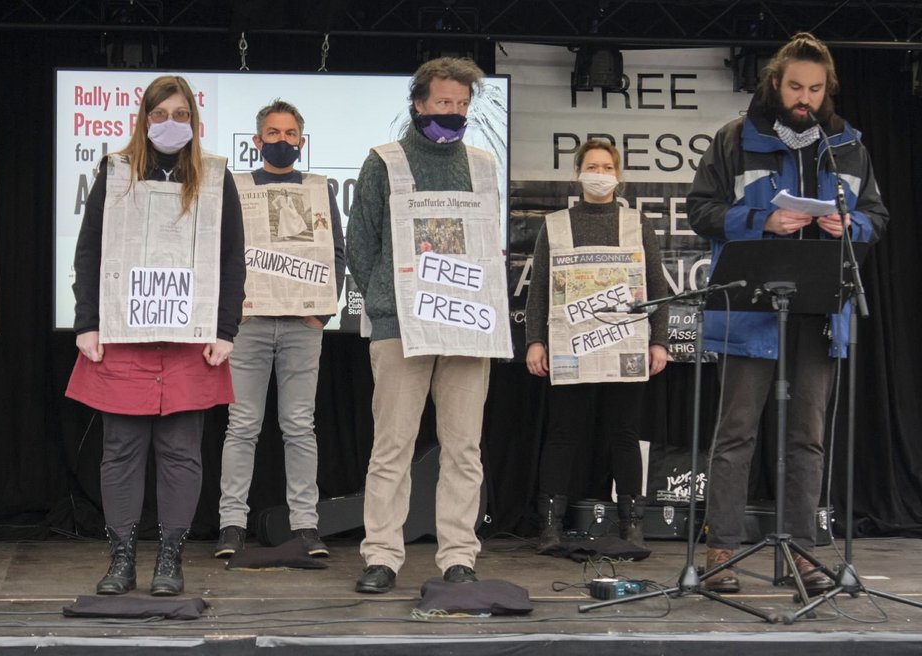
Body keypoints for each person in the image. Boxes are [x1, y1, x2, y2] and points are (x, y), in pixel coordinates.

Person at [686, 32, 889, 595]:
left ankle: (802, 551)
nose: (806, 98)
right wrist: (762, 222)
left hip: (820, 308)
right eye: (796, 86)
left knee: (808, 438)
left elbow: (877, 216)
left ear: (828, 91)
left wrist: (853, 226)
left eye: (816, 89)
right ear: (775, 83)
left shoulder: (847, 145)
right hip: (751, 307)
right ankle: (721, 552)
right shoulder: (734, 139)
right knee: (736, 434)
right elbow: (700, 210)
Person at [66, 75, 245, 597]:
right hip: (123, 336)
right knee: (120, 450)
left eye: (181, 115)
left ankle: (171, 559)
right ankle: (121, 559)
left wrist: (225, 328)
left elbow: (232, 258)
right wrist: (87, 322)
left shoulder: (214, 177)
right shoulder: (116, 171)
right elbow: (89, 252)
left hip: (190, 342)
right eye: (161, 114)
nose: (172, 124)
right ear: (143, 120)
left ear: (195, 121)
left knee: (182, 452)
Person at [347, 57, 506, 593]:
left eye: (462, 105)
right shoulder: (383, 163)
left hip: (466, 324)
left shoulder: (483, 165)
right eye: (444, 103)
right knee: (392, 444)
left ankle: (459, 555)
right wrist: (387, 300)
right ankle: (382, 556)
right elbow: (361, 244)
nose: (454, 113)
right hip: (401, 325)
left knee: (464, 446)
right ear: (418, 104)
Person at [524, 140, 669, 553]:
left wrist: (658, 341)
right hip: (571, 345)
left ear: (618, 176)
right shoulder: (555, 225)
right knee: (563, 433)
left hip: (625, 344)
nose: (600, 173)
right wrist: (536, 341)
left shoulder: (636, 224)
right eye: (592, 166)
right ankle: (549, 526)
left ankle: (632, 524)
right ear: (578, 173)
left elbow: (656, 285)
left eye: (607, 167)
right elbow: (538, 292)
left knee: (624, 434)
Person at [215, 100, 345, 559]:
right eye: (273, 133)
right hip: (248, 326)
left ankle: (305, 525)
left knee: (299, 427)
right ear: (257, 140)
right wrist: (232, 310)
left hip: (301, 327)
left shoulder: (317, 188)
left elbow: (336, 252)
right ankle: (231, 524)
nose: (282, 141)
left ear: (301, 141)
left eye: (290, 134)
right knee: (242, 426)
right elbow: (221, 251)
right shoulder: (235, 186)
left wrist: (322, 314)